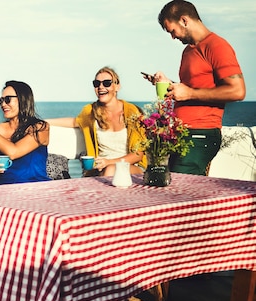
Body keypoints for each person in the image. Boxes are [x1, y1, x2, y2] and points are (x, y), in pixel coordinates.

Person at [144, 0, 245, 175]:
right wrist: (168, 85)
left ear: (184, 20)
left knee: (180, 191)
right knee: (173, 187)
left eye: (172, 31)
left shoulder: (217, 46)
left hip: (201, 134)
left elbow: (238, 90)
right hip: (182, 134)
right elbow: (192, 89)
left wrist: (189, 93)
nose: (173, 37)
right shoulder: (189, 51)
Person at [47, 67, 147, 176]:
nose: (101, 87)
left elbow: (138, 155)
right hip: (101, 169)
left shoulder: (132, 112)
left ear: (117, 86)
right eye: (96, 83)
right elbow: (74, 122)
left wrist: (109, 162)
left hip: (132, 168)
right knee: (107, 171)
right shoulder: (90, 111)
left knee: (111, 170)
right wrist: (42, 122)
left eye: (107, 83)